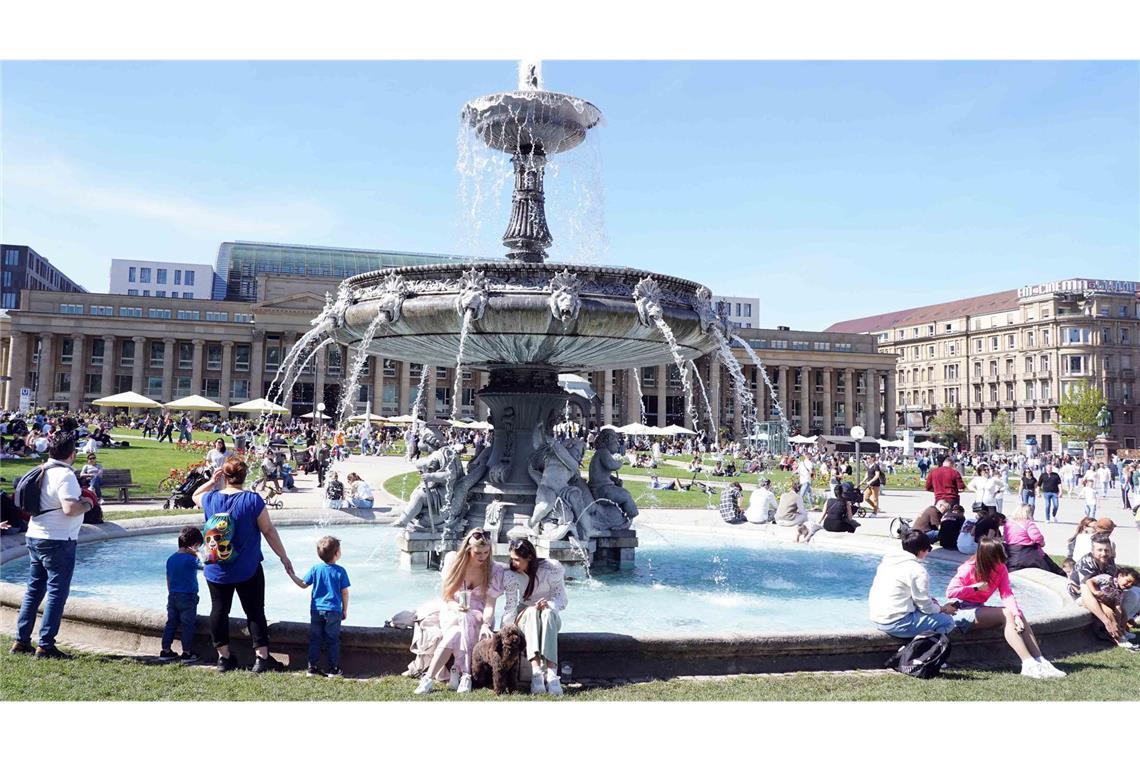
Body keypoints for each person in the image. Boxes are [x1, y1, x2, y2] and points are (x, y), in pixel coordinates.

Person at [191, 458, 295, 673]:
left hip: (217, 568)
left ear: (225, 476)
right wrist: (284, 556)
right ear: (244, 476)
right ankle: (262, 658)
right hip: (248, 568)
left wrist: (212, 481)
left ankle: (224, 658)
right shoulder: (253, 500)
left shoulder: (210, 499)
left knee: (219, 610)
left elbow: (194, 495)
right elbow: (268, 531)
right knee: (255, 611)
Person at [11, 432, 98, 659]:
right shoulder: (65, 475)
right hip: (58, 539)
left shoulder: (41, 469)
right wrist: (88, 503)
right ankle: (46, 644)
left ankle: (21, 640)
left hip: (35, 535)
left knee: (33, 590)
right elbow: (70, 509)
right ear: (72, 454)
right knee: (57, 593)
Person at [945, 537, 1065, 678]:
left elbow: (1007, 595)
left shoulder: (1000, 568)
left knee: (1016, 613)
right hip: (960, 611)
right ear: (987, 557)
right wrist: (974, 588)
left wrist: (1016, 615)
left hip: (977, 608)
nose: (1001, 562)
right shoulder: (969, 568)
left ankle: (1040, 660)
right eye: (997, 558)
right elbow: (950, 592)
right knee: (1006, 613)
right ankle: (1028, 664)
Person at [415, 528, 506, 695]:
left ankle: (428, 678)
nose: (482, 557)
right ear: (468, 549)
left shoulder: (495, 570)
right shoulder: (454, 561)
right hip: (452, 611)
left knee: (457, 631)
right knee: (463, 619)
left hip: (479, 615)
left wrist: (486, 624)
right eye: (478, 552)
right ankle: (466, 675)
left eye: (486, 552)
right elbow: (447, 597)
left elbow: (490, 605)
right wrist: (456, 607)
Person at [868, 530, 967, 638]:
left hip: (878, 618)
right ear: (921, 551)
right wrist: (943, 609)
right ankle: (924, 650)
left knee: (933, 603)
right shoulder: (917, 571)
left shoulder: (887, 562)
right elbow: (925, 607)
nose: (928, 552)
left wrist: (937, 606)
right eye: (928, 549)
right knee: (947, 621)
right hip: (897, 623)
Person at [505, 537, 568, 695]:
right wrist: (506, 628)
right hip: (524, 616)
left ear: (530, 557)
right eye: (512, 559)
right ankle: (537, 673)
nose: (513, 563)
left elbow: (562, 600)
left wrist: (549, 604)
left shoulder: (551, 569)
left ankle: (552, 675)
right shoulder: (512, 574)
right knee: (533, 611)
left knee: (546, 613)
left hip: (548, 615)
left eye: (517, 560)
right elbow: (511, 605)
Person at [289, 535, 351, 677]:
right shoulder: (340, 571)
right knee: (333, 639)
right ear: (337, 554)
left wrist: (291, 575)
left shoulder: (316, 569)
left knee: (315, 638)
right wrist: (345, 609)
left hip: (316, 610)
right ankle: (333, 669)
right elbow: (345, 593)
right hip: (333, 611)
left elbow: (303, 584)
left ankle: (312, 667)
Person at [158, 526, 204, 664]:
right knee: (187, 624)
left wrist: (171, 592)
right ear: (194, 546)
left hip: (172, 595)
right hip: (188, 596)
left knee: (171, 623)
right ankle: (187, 653)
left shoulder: (171, 559)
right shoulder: (191, 560)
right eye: (198, 547)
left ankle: (165, 650)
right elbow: (207, 566)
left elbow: (168, 578)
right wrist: (198, 554)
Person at [1082, 567, 1139, 647]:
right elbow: (1089, 581)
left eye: (1132, 584)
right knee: (1109, 612)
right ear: (1120, 576)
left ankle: (1121, 632)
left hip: (1106, 602)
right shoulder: (1106, 578)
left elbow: (1118, 606)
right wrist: (1095, 591)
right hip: (1095, 601)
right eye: (1128, 581)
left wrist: (1118, 623)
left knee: (1123, 613)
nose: (1129, 585)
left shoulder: (1120, 590)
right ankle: (1118, 638)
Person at [1003, 504, 1065, 575]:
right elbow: (1036, 537)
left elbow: (1006, 537)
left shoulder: (1008, 524)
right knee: (1050, 570)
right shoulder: (1028, 523)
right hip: (1030, 553)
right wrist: (1042, 543)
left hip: (1013, 554)